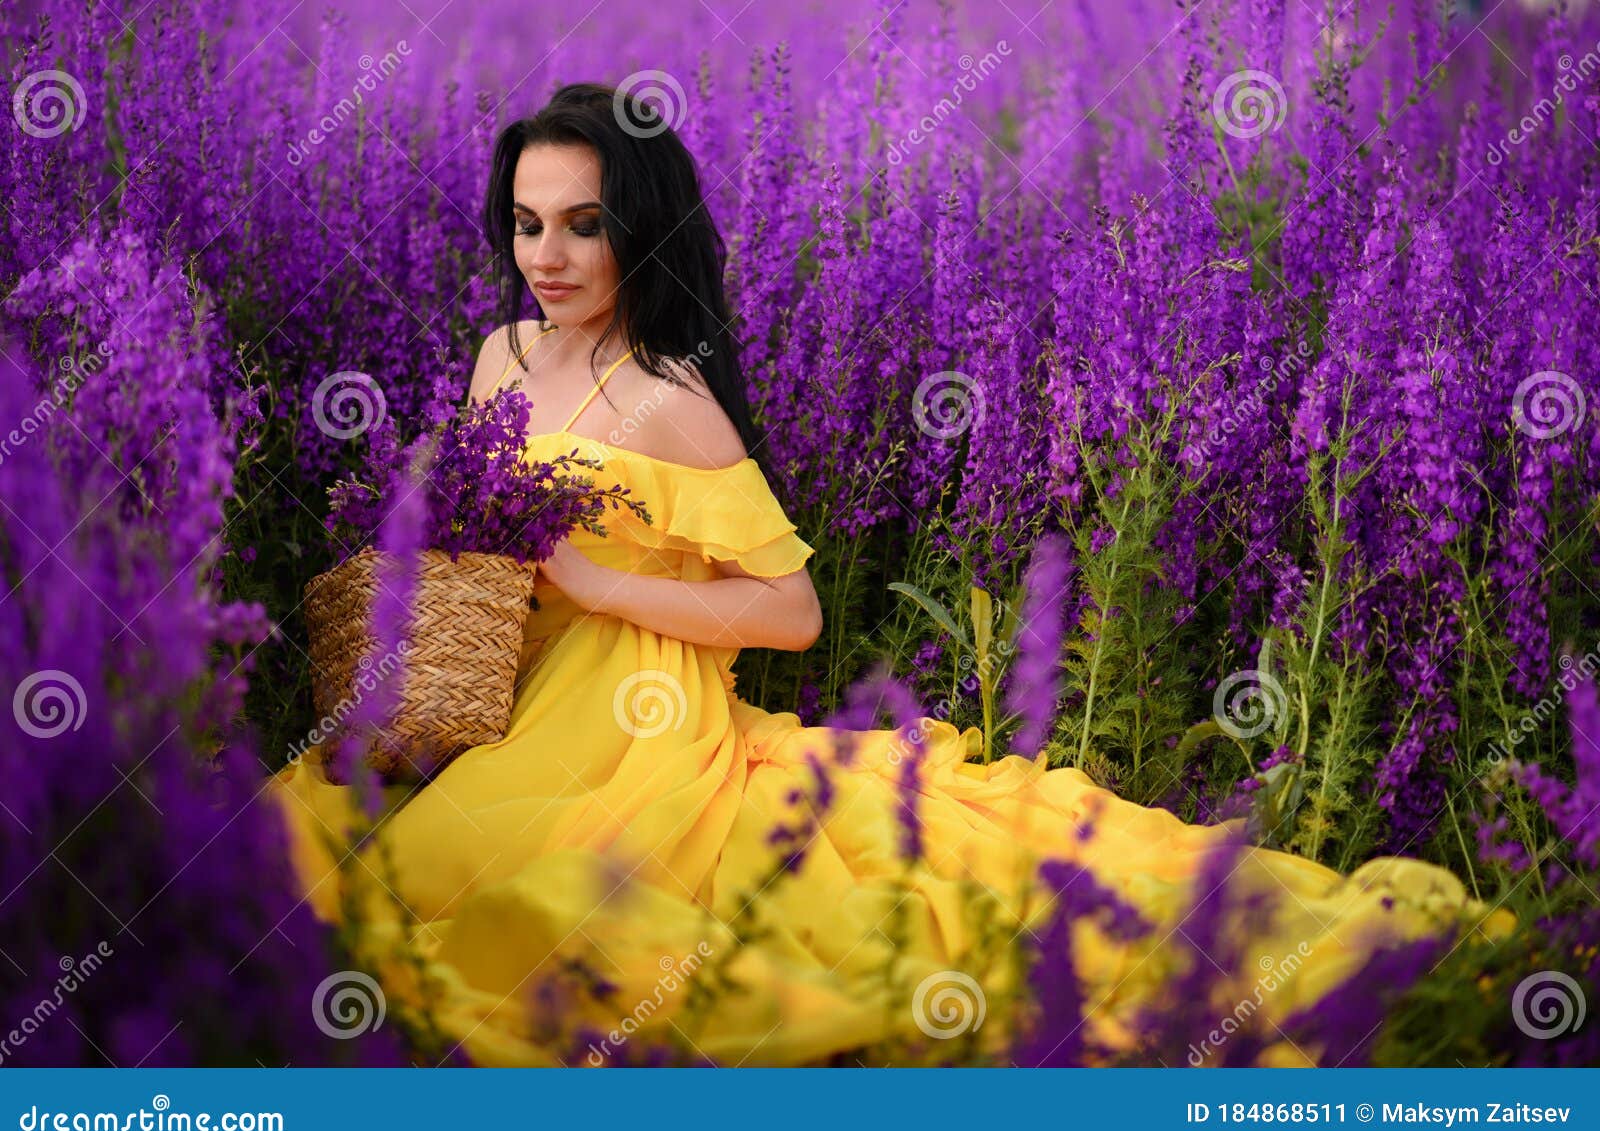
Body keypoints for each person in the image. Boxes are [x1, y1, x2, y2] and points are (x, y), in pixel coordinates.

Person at [268, 83, 1513, 1067]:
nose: (548, 253)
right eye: (528, 222)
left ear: (640, 224)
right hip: (497, 680)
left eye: (584, 223)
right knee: (321, 843)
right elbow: (483, 507)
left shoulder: (669, 402)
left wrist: (600, 587)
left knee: (520, 902)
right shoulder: (504, 351)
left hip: (634, 714)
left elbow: (792, 613)